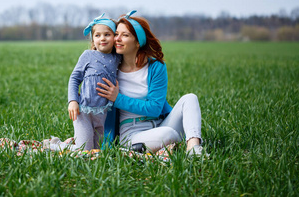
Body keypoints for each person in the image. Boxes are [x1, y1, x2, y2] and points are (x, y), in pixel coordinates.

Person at [97, 10, 206, 156]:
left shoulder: (155, 66)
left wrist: (118, 99)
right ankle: (173, 143)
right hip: (131, 133)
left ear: (137, 42)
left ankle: (194, 149)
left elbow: (155, 108)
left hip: (161, 123)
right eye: (116, 34)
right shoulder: (110, 68)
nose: (117, 39)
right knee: (168, 133)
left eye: (125, 35)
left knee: (190, 98)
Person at [50, 13, 121, 151]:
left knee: (97, 149)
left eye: (107, 34)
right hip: (83, 110)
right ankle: (56, 145)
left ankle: (69, 144)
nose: (102, 38)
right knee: (85, 149)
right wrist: (72, 101)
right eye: (97, 35)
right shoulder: (88, 55)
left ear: (114, 37)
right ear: (93, 39)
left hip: (103, 113)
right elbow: (74, 78)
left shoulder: (117, 58)